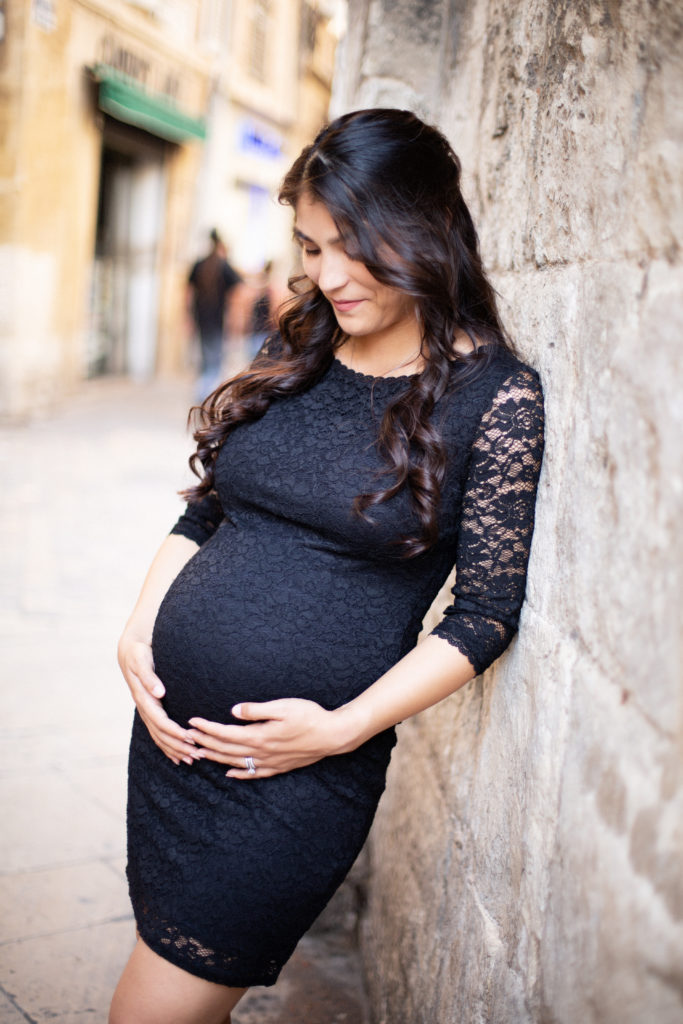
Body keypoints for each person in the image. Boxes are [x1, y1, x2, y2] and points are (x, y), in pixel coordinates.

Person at [110, 108, 545, 1024]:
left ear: (428, 229)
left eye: (355, 246)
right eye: (310, 246)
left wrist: (340, 730)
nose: (329, 274)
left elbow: (485, 615)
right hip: (169, 745)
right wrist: (138, 630)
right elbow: (211, 507)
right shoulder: (300, 342)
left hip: (296, 776)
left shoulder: (495, 398)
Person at [187, 229, 242, 401]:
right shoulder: (223, 266)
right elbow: (239, 290)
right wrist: (235, 317)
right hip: (218, 321)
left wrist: (188, 317)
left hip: (201, 319)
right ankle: (207, 393)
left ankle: (202, 392)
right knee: (215, 361)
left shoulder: (199, 265)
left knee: (205, 360)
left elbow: (187, 293)